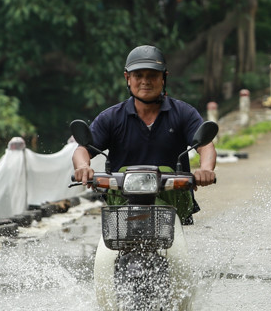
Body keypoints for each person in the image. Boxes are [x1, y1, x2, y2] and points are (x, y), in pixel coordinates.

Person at [72, 45, 217, 220]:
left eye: (152, 76)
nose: (145, 81)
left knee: (180, 247)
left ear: (164, 78)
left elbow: (205, 145)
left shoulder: (184, 113)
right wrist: (83, 167)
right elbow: (83, 149)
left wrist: (205, 169)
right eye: (138, 75)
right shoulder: (111, 117)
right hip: (123, 207)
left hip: (173, 208)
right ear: (127, 78)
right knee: (106, 247)